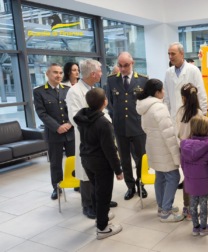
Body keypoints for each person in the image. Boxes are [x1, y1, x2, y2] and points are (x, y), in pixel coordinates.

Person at [66, 59, 118, 219]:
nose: (102, 74)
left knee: (100, 173)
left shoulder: (92, 88)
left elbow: (102, 112)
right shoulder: (74, 92)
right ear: (93, 74)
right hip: (87, 139)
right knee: (86, 174)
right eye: (100, 71)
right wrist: (98, 124)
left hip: (100, 136)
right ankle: (88, 204)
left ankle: (101, 200)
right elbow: (75, 118)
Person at [73, 88, 124, 240]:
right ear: (104, 102)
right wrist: (118, 170)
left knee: (95, 190)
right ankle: (103, 228)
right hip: (101, 163)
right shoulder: (103, 123)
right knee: (104, 194)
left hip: (87, 160)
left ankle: (99, 217)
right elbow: (110, 150)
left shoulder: (82, 117)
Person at [136, 78, 184, 222]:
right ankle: (166, 211)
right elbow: (168, 134)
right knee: (173, 177)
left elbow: (145, 128)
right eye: (162, 90)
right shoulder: (159, 107)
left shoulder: (144, 106)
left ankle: (162, 206)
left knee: (161, 177)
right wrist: (177, 154)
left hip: (152, 145)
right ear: (157, 92)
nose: (164, 92)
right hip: (164, 148)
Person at [106, 51, 148, 200]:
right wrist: (114, 119)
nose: (123, 69)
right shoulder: (111, 81)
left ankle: (141, 183)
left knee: (140, 158)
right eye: (120, 65)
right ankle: (130, 186)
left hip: (138, 126)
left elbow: (146, 103)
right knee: (124, 159)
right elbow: (109, 103)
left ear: (132, 64)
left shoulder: (143, 80)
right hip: (120, 127)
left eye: (126, 65)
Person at [33, 63, 75, 200]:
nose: (58, 75)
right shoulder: (39, 91)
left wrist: (69, 123)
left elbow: (73, 109)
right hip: (54, 133)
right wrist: (57, 126)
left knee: (73, 159)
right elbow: (42, 113)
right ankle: (57, 187)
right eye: (55, 72)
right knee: (55, 162)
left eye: (60, 73)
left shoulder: (68, 89)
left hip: (70, 131)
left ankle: (76, 183)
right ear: (47, 74)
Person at [180, 115, 208, 236]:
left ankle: (195, 227)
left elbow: (182, 164)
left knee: (192, 204)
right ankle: (204, 228)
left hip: (190, 181)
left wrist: (188, 176)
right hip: (205, 182)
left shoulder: (184, 145)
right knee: (204, 204)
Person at [175, 83, 203, 219]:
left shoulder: (180, 111)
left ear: (183, 98)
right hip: (196, 150)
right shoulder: (199, 113)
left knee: (187, 178)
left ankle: (187, 209)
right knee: (196, 180)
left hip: (184, 149)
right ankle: (193, 209)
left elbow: (178, 132)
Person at [164, 42, 208, 122]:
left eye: (173, 54)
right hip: (174, 118)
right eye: (169, 54)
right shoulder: (168, 73)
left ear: (182, 54)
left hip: (191, 117)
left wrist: (203, 115)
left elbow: (201, 94)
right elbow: (166, 98)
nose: (170, 57)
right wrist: (167, 117)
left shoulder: (193, 70)